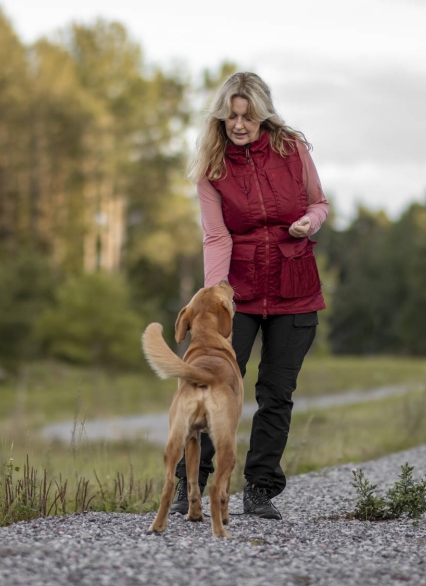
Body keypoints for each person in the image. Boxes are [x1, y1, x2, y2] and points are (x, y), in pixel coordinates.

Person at [172, 72, 330, 520]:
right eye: (230, 116)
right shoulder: (212, 167)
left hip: (294, 287)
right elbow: (216, 237)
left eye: (247, 116)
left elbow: (319, 202)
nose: (239, 125)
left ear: (263, 113)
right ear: (221, 117)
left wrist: (309, 223)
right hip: (237, 293)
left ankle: (259, 490)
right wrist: (215, 298)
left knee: (276, 393)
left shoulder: (292, 149)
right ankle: (190, 488)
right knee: (211, 385)